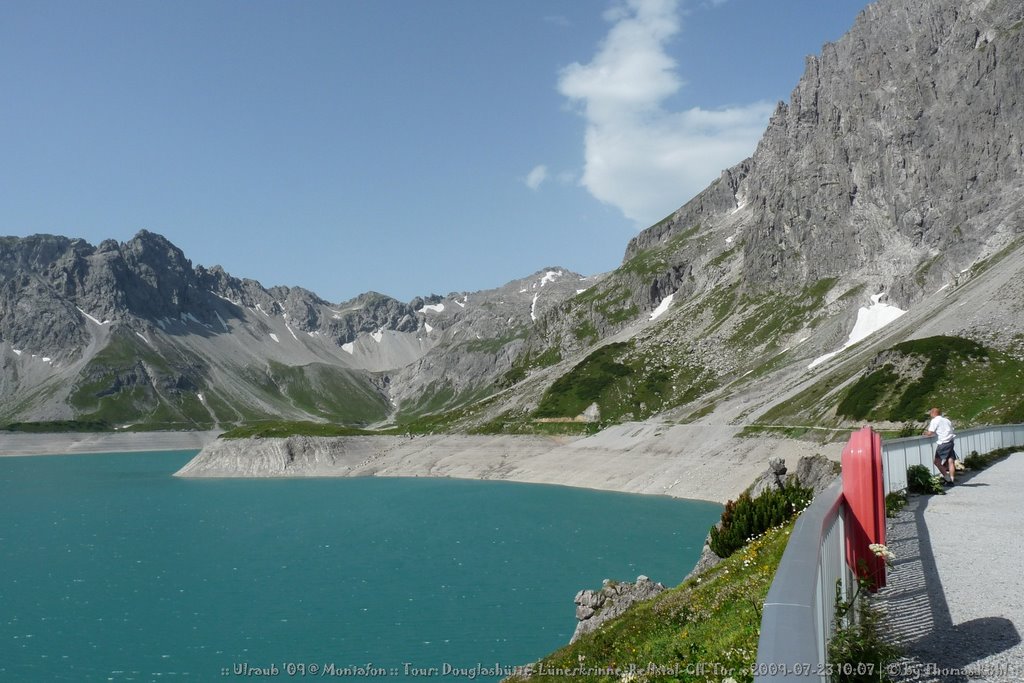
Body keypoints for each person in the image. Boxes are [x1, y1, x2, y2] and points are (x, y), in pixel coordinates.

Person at [923, 407, 957, 486]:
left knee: (937, 462)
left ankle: (948, 480)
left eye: (930, 413)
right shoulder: (947, 420)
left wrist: (925, 433)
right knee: (950, 461)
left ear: (933, 413)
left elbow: (930, 433)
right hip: (950, 442)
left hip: (943, 443)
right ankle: (952, 479)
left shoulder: (935, 421)